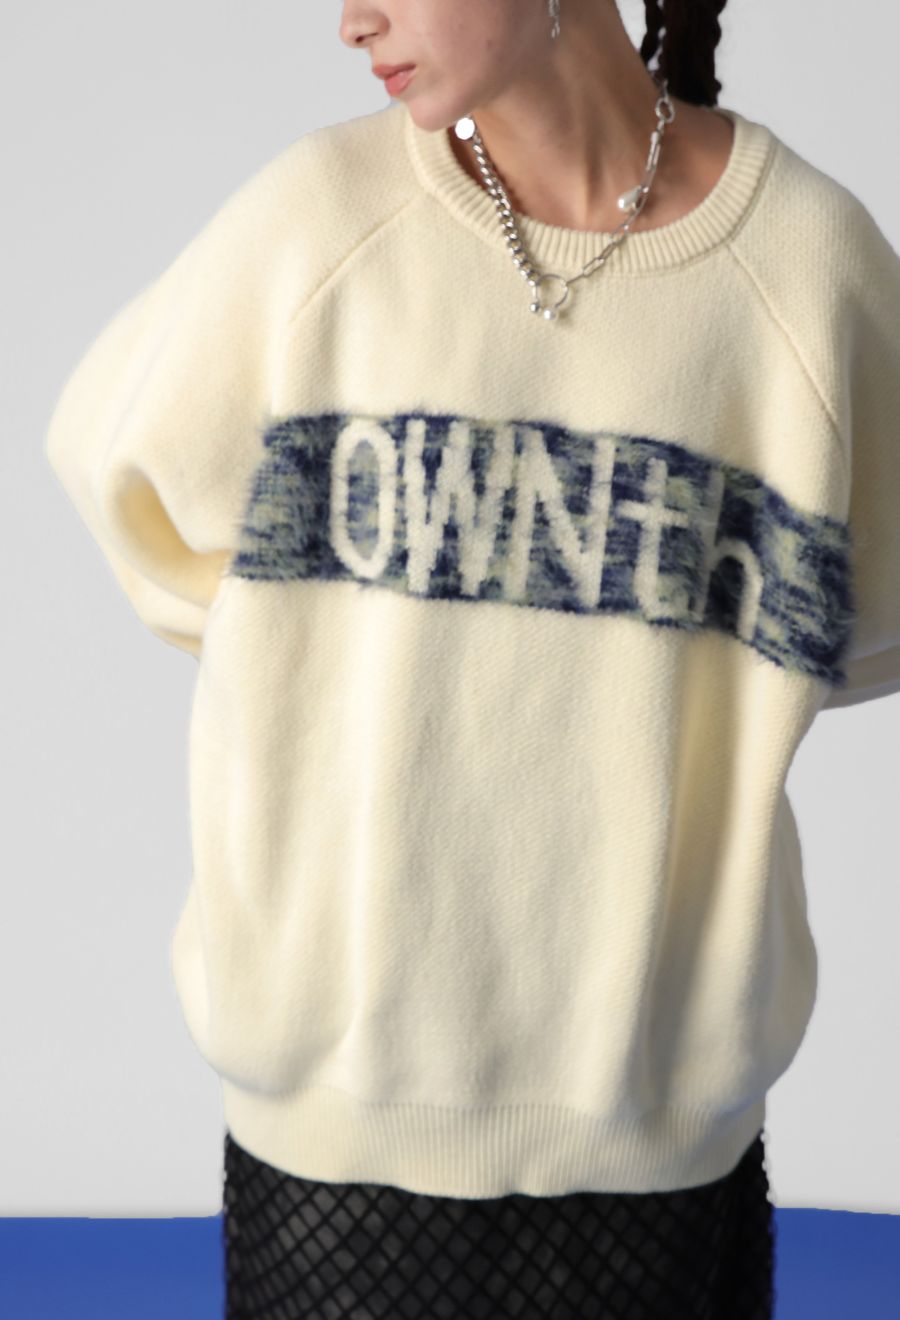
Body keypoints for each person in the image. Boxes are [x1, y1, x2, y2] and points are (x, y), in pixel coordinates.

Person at [44, 0, 900, 1316]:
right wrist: (323, 657)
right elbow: (122, 474)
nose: (354, 20)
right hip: (337, 1130)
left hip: (658, 1124)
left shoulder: (803, 264)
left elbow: (864, 614)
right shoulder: (318, 225)